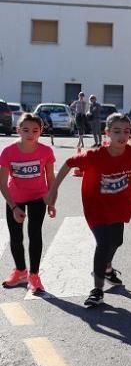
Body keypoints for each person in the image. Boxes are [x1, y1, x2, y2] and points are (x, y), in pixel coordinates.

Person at [46, 114, 131, 308]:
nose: (122, 135)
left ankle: (106, 268)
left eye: (126, 131)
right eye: (116, 131)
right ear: (107, 133)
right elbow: (68, 164)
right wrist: (54, 189)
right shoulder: (95, 156)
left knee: (117, 241)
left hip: (120, 206)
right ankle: (97, 290)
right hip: (96, 207)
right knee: (104, 242)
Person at [0, 113, 56, 295]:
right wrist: (13, 207)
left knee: (35, 234)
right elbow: (2, 182)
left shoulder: (46, 151)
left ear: (41, 131)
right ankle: (20, 271)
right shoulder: (8, 152)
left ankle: (34, 276)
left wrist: (51, 202)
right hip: (15, 199)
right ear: (18, 130)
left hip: (38, 197)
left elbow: (50, 178)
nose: (30, 134)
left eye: (35, 130)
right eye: (25, 130)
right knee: (16, 237)